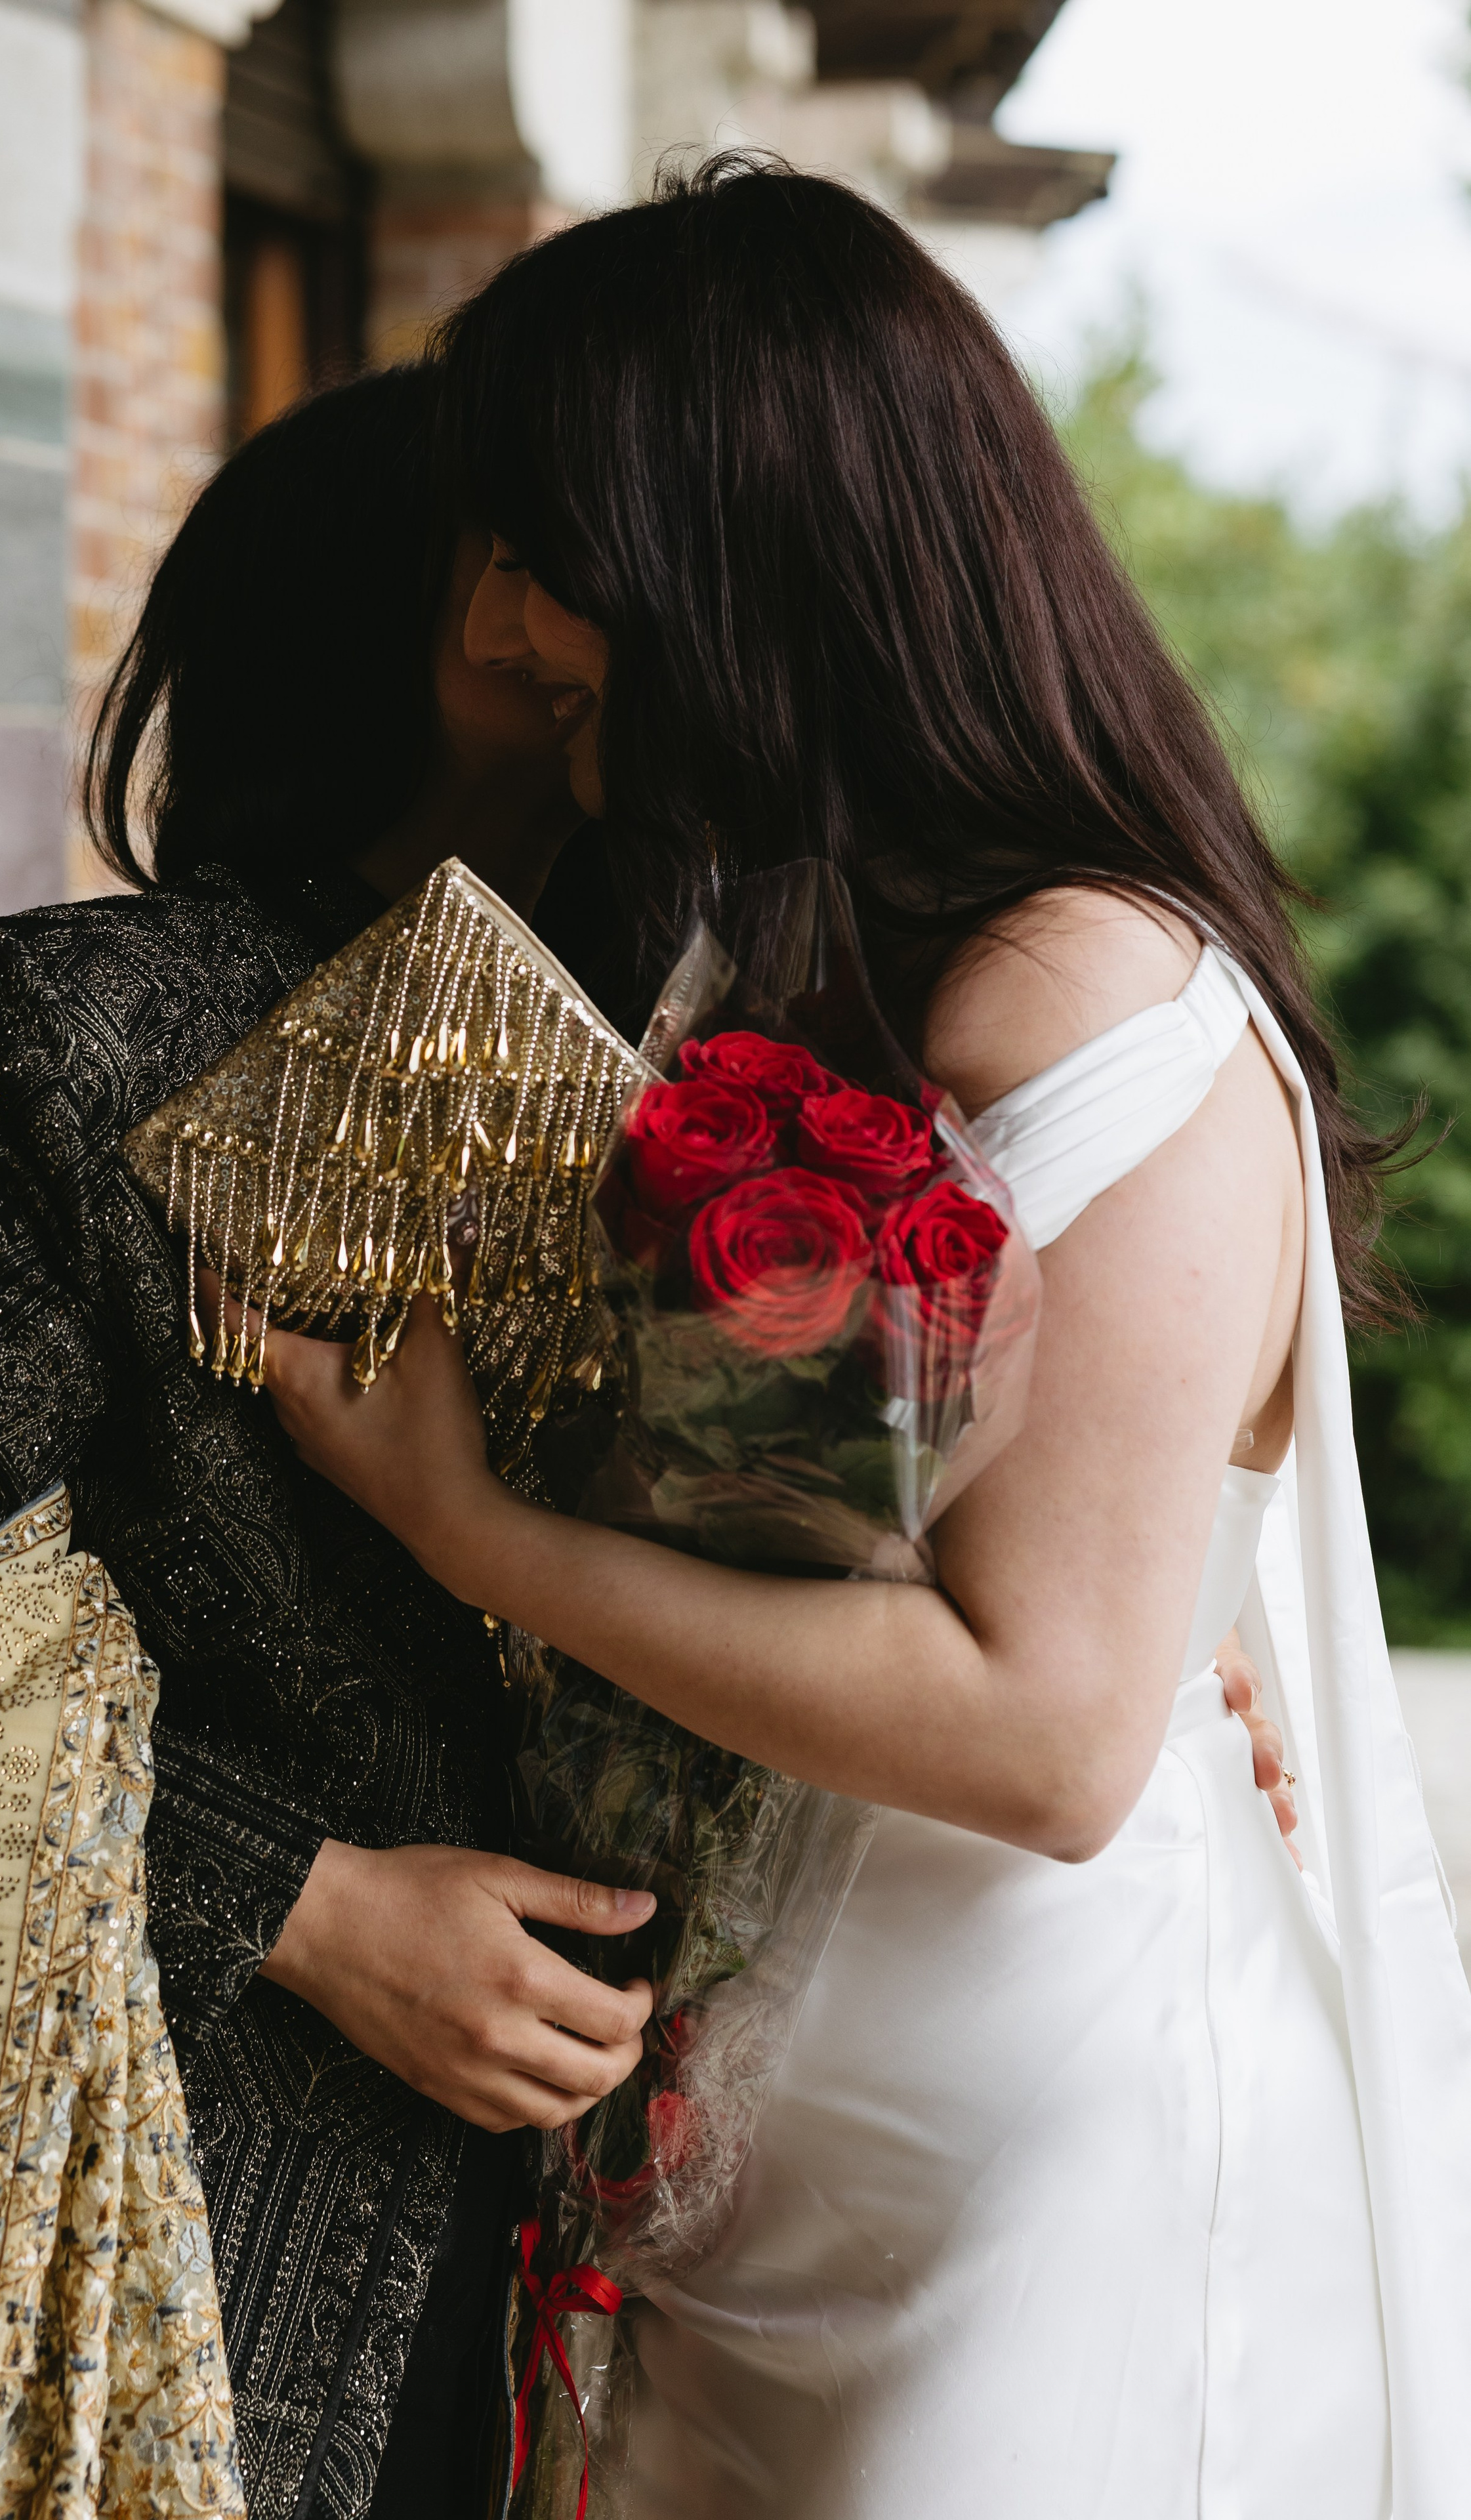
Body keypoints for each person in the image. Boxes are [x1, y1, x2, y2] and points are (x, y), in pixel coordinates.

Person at [258, 163, 1471, 2517]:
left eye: (546, 551)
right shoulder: (802, 955)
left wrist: (460, 1521)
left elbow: (1044, 1740)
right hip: (779, 2151)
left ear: (732, 558)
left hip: (1026, 2182)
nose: (508, 627)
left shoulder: (1085, 994)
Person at [0, 365, 659, 2520]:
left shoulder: (715, 1101)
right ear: (477, 619)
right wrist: (308, 1904)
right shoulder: (25, 1039)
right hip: (139, 2235)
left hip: (614, 2256)